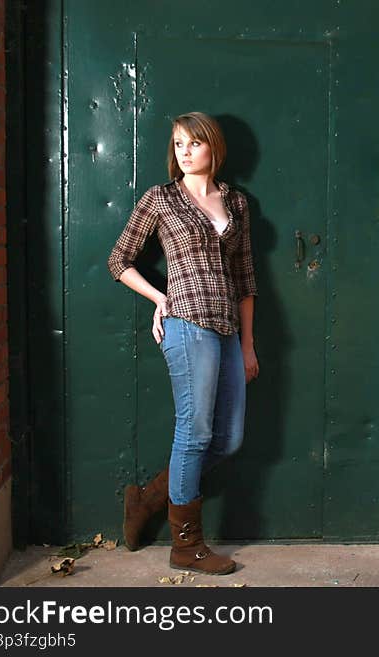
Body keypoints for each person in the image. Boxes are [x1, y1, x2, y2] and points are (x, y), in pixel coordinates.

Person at [106, 111, 259, 575]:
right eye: (178, 144)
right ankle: (186, 546)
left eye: (194, 142)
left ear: (213, 147)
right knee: (194, 433)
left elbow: (245, 277)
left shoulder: (236, 201)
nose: (186, 151)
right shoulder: (161, 199)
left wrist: (248, 344)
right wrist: (160, 297)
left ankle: (149, 500)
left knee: (228, 439)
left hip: (228, 328)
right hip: (187, 324)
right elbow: (120, 259)